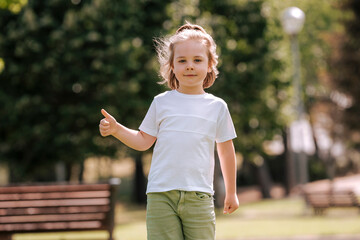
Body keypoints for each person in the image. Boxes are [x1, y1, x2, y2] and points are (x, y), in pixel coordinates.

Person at [99, 22, 239, 240]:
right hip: (160, 195)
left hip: (199, 195)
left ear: (210, 64)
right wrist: (117, 129)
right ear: (171, 65)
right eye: (182, 61)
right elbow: (143, 141)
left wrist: (231, 192)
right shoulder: (161, 102)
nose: (189, 66)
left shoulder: (218, 107)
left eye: (197, 60)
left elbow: (226, 151)